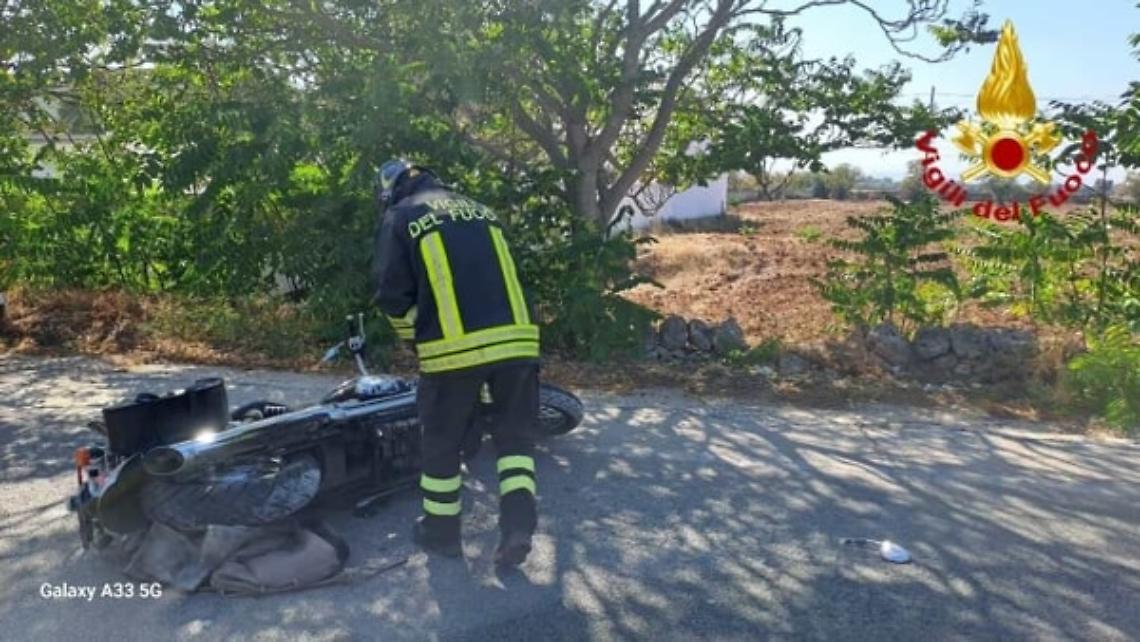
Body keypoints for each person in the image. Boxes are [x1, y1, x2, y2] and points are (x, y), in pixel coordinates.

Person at [370, 159, 540, 567]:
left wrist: (417, 339)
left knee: (441, 444)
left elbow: (390, 295)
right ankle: (518, 528)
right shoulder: (482, 211)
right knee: (515, 443)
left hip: (452, 352)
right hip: (518, 342)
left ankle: (442, 533)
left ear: (391, 190)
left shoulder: (402, 216)